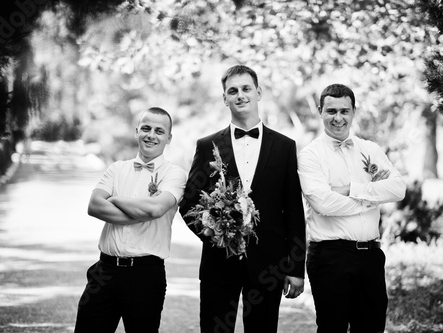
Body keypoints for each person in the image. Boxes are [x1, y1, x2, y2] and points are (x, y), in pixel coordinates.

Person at [179, 65, 306, 333]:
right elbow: (189, 201)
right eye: (232, 91)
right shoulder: (207, 146)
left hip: (268, 264)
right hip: (218, 262)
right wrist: (214, 234)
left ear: (258, 92)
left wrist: (295, 267)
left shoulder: (285, 146)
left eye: (246, 89)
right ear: (224, 98)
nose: (240, 95)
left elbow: (294, 210)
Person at [297, 83, 406, 333]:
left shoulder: (370, 150)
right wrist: (373, 197)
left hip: (371, 256)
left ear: (354, 111)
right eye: (331, 111)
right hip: (329, 256)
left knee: (371, 327)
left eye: (344, 111)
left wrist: (352, 190)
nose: (338, 118)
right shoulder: (310, 155)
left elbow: (398, 188)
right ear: (320, 111)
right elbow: (323, 203)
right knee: (332, 327)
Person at [74, 107, 187, 333]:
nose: (151, 135)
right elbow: (94, 205)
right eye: (145, 128)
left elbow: (155, 209)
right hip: (104, 272)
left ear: (169, 138)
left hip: (145, 276)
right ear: (136, 132)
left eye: (159, 131)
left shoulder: (174, 174)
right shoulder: (117, 169)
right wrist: (139, 213)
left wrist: (115, 199)